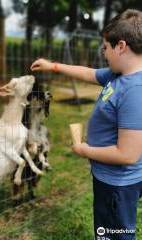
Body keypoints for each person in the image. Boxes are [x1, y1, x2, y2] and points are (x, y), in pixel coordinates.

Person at [30, 9, 142, 240]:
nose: (104, 54)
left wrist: (84, 150)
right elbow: (89, 73)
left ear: (121, 46)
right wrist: (54, 66)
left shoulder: (134, 91)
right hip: (108, 179)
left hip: (117, 186)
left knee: (113, 235)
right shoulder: (117, 75)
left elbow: (128, 154)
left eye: (105, 48)